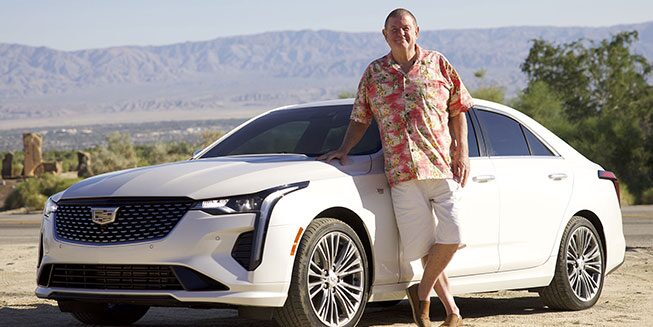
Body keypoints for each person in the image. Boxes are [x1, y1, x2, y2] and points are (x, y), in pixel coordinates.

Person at [318, 8, 473, 327]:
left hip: (441, 166)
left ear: (418, 31)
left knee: (454, 235)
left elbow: (459, 109)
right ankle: (453, 313)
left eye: (405, 27)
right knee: (425, 249)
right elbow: (360, 117)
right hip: (401, 174)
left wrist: (462, 153)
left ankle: (422, 294)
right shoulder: (374, 73)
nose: (399, 32)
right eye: (393, 28)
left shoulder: (438, 63)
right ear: (384, 34)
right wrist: (344, 149)